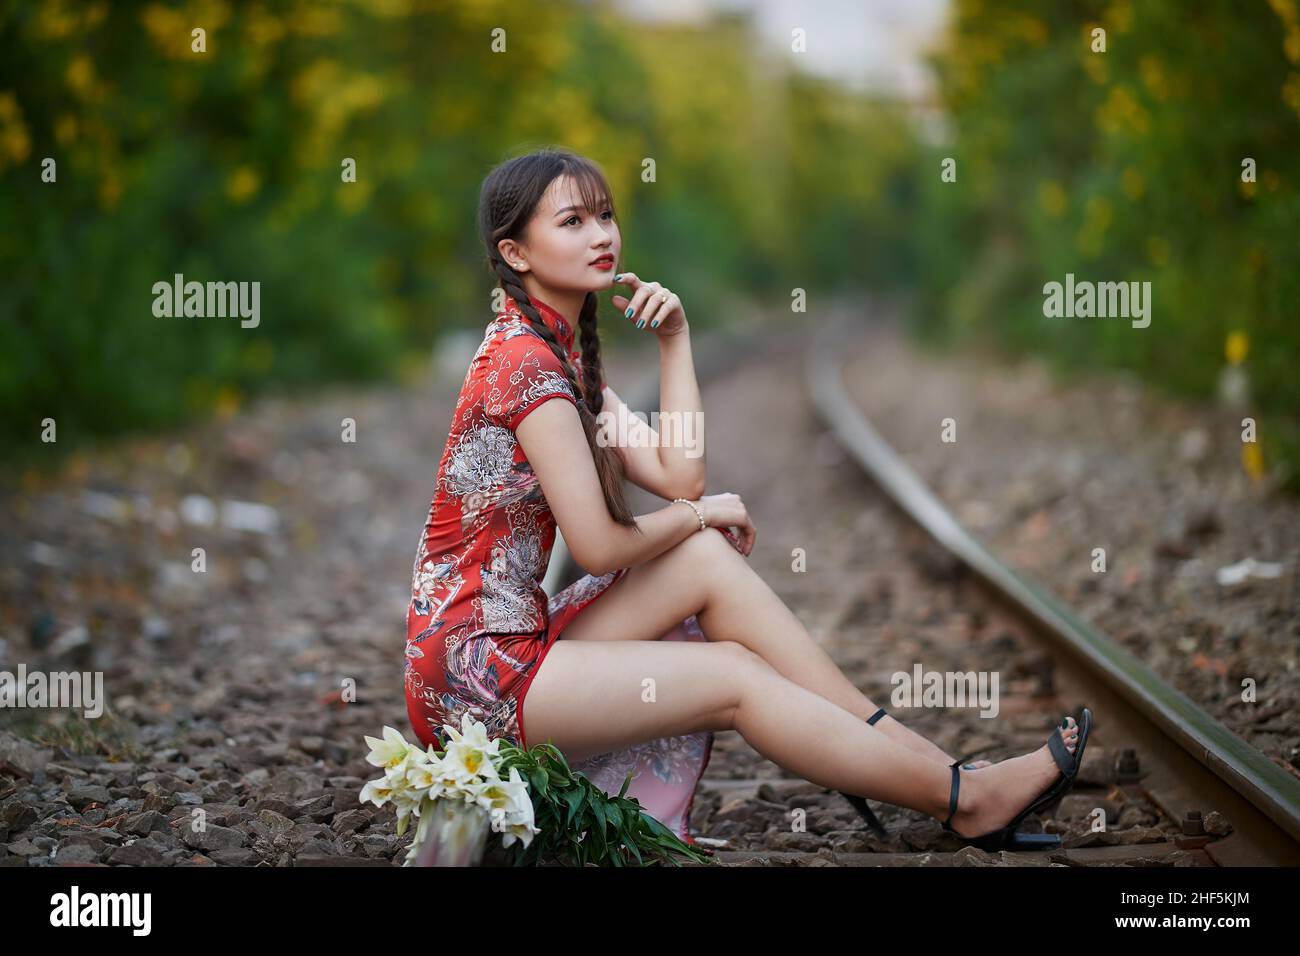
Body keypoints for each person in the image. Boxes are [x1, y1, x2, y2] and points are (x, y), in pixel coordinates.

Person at [404, 146, 1090, 851]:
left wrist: (676, 342)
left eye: (606, 215)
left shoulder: (555, 357)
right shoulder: (526, 368)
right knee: (734, 675)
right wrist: (698, 515)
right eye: (573, 221)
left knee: (703, 558)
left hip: (514, 646)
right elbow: (601, 547)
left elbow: (680, 475)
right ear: (515, 253)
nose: (603, 235)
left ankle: (925, 764)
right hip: (476, 680)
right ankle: (967, 799)